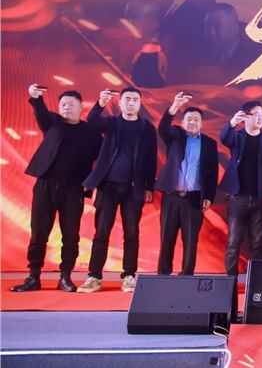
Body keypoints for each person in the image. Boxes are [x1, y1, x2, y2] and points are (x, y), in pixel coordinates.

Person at [12, 85, 101, 293]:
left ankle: (65, 277)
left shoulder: (91, 133)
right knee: (38, 233)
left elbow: (103, 159)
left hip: (74, 189)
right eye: (63, 104)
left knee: (71, 235)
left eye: (71, 104)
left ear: (81, 107)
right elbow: (40, 112)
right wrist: (36, 98)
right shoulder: (52, 123)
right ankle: (33, 276)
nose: (66, 107)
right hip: (46, 185)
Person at [78, 87, 158, 293]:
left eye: (135, 99)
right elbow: (92, 121)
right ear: (120, 103)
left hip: (134, 188)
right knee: (101, 232)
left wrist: (149, 186)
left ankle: (129, 275)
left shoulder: (147, 128)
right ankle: (94, 276)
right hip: (108, 186)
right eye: (127, 99)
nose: (131, 102)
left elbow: (151, 159)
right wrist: (100, 103)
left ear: (139, 103)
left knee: (132, 232)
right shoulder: (111, 123)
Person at [155, 92, 219, 276]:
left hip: (194, 199)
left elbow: (212, 172)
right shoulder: (175, 135)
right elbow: (163, 128)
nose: (192, 122)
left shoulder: (209, 144)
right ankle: (163, 275)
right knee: (166, 238)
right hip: (172, 197)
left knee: (191, 240)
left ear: (201, 123)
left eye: (196, 119)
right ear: (182, 122)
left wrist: (209, 197)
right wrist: (174, 106)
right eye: (189, 119)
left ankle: (187, 275)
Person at [219, 101, 262, 277]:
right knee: (233, 242)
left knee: (257, 242)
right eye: (256, 114)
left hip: (259, 199)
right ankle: (230, 282)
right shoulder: (237, 137)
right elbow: (224, 138)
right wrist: (232, 123)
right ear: (246, 117)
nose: (260, 118)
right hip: (238, 197)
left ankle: (255, 282)